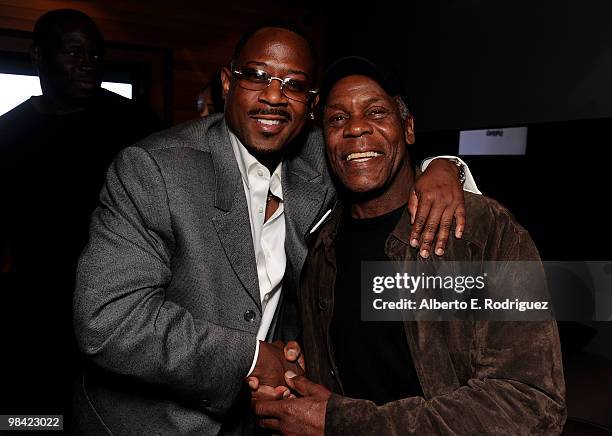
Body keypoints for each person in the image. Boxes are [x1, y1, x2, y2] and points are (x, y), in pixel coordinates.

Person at [73, 26, 478, 434]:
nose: (273, 96)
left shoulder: (317, 160)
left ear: (310, 104)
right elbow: (107, 320)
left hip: (264, 421)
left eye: (294, 85)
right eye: (257, 75)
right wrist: (253, 358)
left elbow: (372, 148)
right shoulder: (154, 170)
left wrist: (443, 167)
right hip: (151, 424)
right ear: (228, 82)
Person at [251, 57, 566, 435]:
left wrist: (342, 423)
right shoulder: (319, 250)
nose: (356, 128)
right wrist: (294, 384)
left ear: (409, 128)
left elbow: (530, 403)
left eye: (376, 111)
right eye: (337, 119)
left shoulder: (485, 231)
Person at [0, 8, 161, 417]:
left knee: (106, 412)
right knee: (31, 414)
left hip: (118, 302)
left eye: (94, 53)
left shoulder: (135, 123)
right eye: (74, 51)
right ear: (39, 57)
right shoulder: (9, 133)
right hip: (35, 307)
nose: (88, 62)